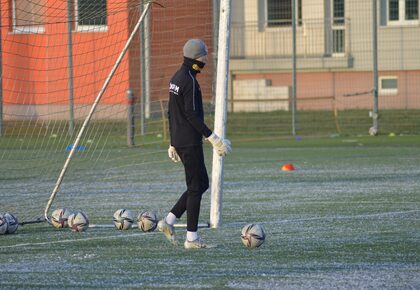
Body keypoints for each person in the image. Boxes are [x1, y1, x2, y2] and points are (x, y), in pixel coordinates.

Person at [158, 39, 231, 249]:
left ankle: (169, 221)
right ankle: (191, 238)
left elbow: (171, 112)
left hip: (181, 141)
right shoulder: (188, 79)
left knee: (200, 184)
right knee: (196, 187)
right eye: (204, 56)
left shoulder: (177, 76)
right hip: (189, 142)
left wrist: (172, 142)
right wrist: (213, 138)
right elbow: (190, 114)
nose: (206, 59)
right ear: (195, 58)